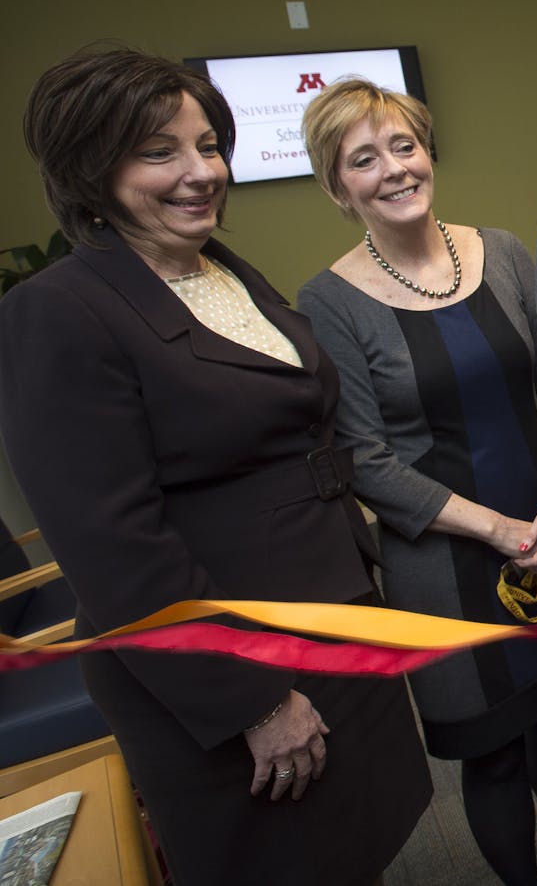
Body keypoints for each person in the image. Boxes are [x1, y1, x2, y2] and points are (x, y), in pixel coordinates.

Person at [0, 49, 432, 886]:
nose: (201, 173)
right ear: (91, 168)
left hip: (328, 617)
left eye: (209, 145)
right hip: (229, 670)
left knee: (360, 849)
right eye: (160, 151)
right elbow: (111, 544)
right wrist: (252, 701)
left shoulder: (220, 269)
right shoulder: (55, 311)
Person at [296, 79, 537, 886]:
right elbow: (366, 458)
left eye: (404, 146)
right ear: (339, 185)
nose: (394, 170)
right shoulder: (327, 300)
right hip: (443, 562)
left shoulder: (504, 250)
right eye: (364, 159)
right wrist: (496, 530)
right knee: (492, 747)